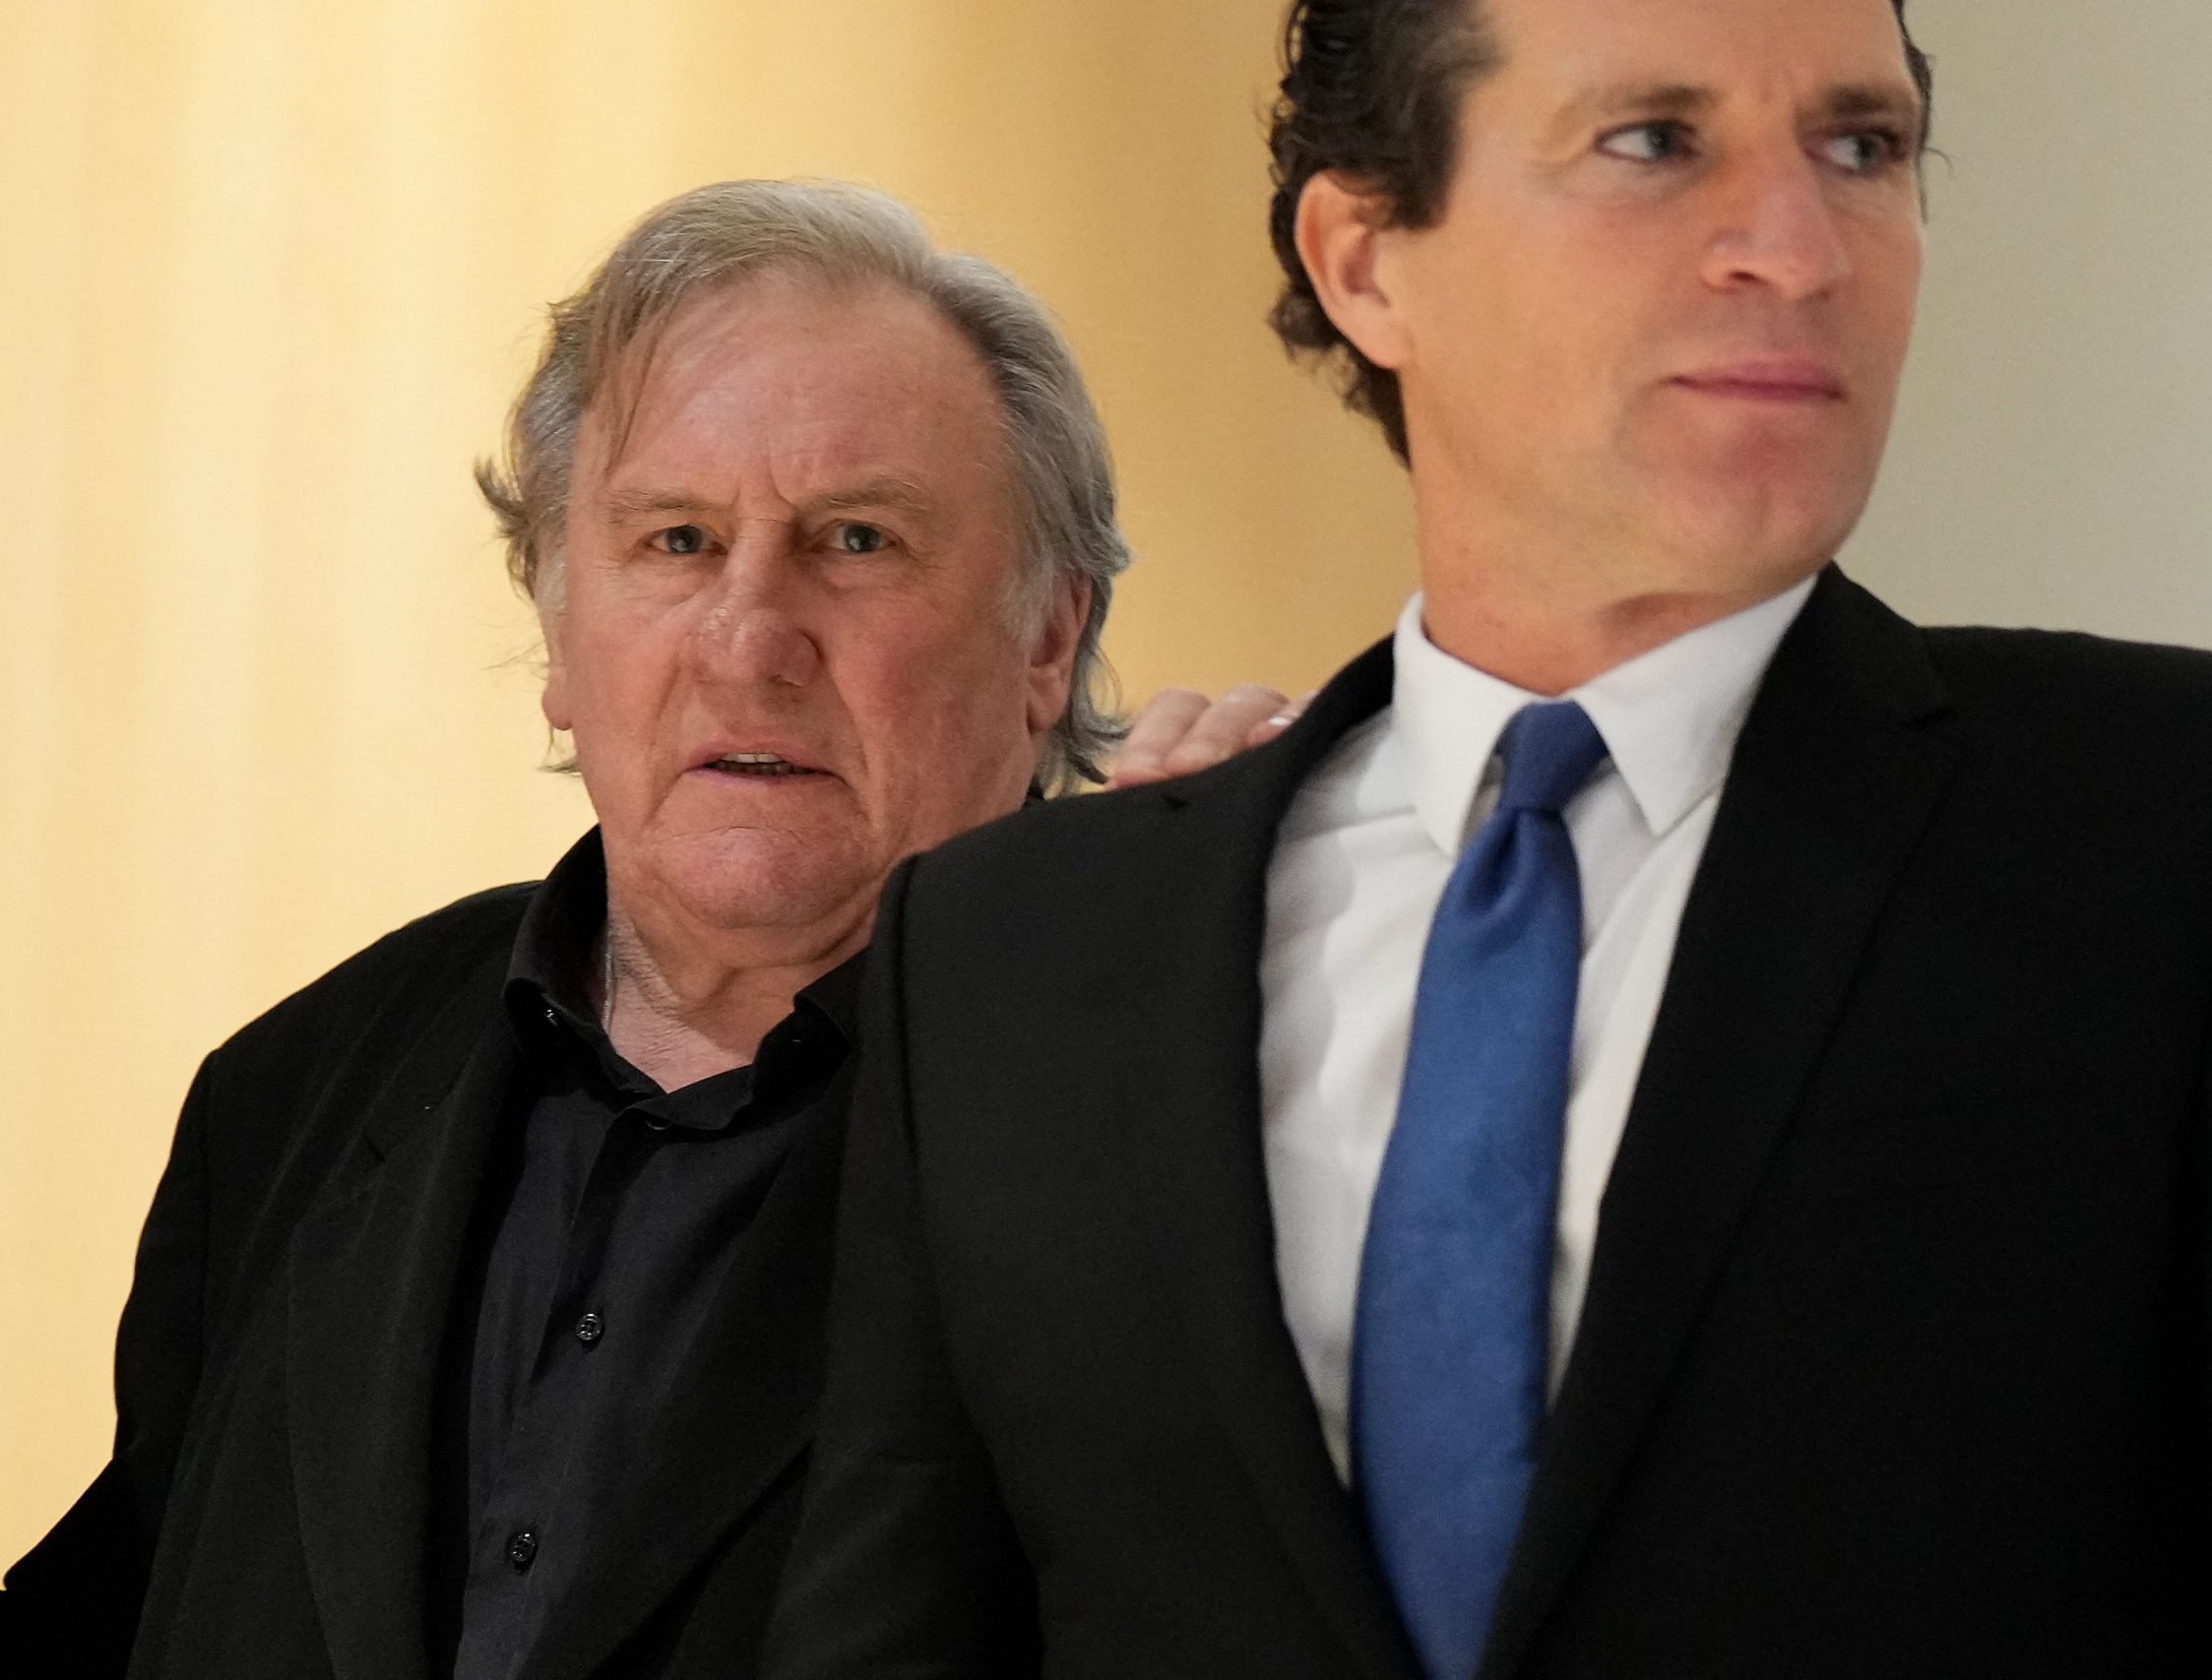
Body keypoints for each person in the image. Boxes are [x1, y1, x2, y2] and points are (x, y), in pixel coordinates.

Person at [762, 0, 2212, 1675]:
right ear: (1365, 259)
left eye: (1862, 145)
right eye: (1656, 141)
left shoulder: (2203, 839)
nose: (1801, 249)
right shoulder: (1006, 959)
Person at [0, 178, 1287, 1680]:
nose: (750, 641)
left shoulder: (1179, 1091)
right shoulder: (299, 1087)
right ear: (558, 629)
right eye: (676, 540)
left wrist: (1270, 1001)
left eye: (856, 540)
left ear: (1049, 636)